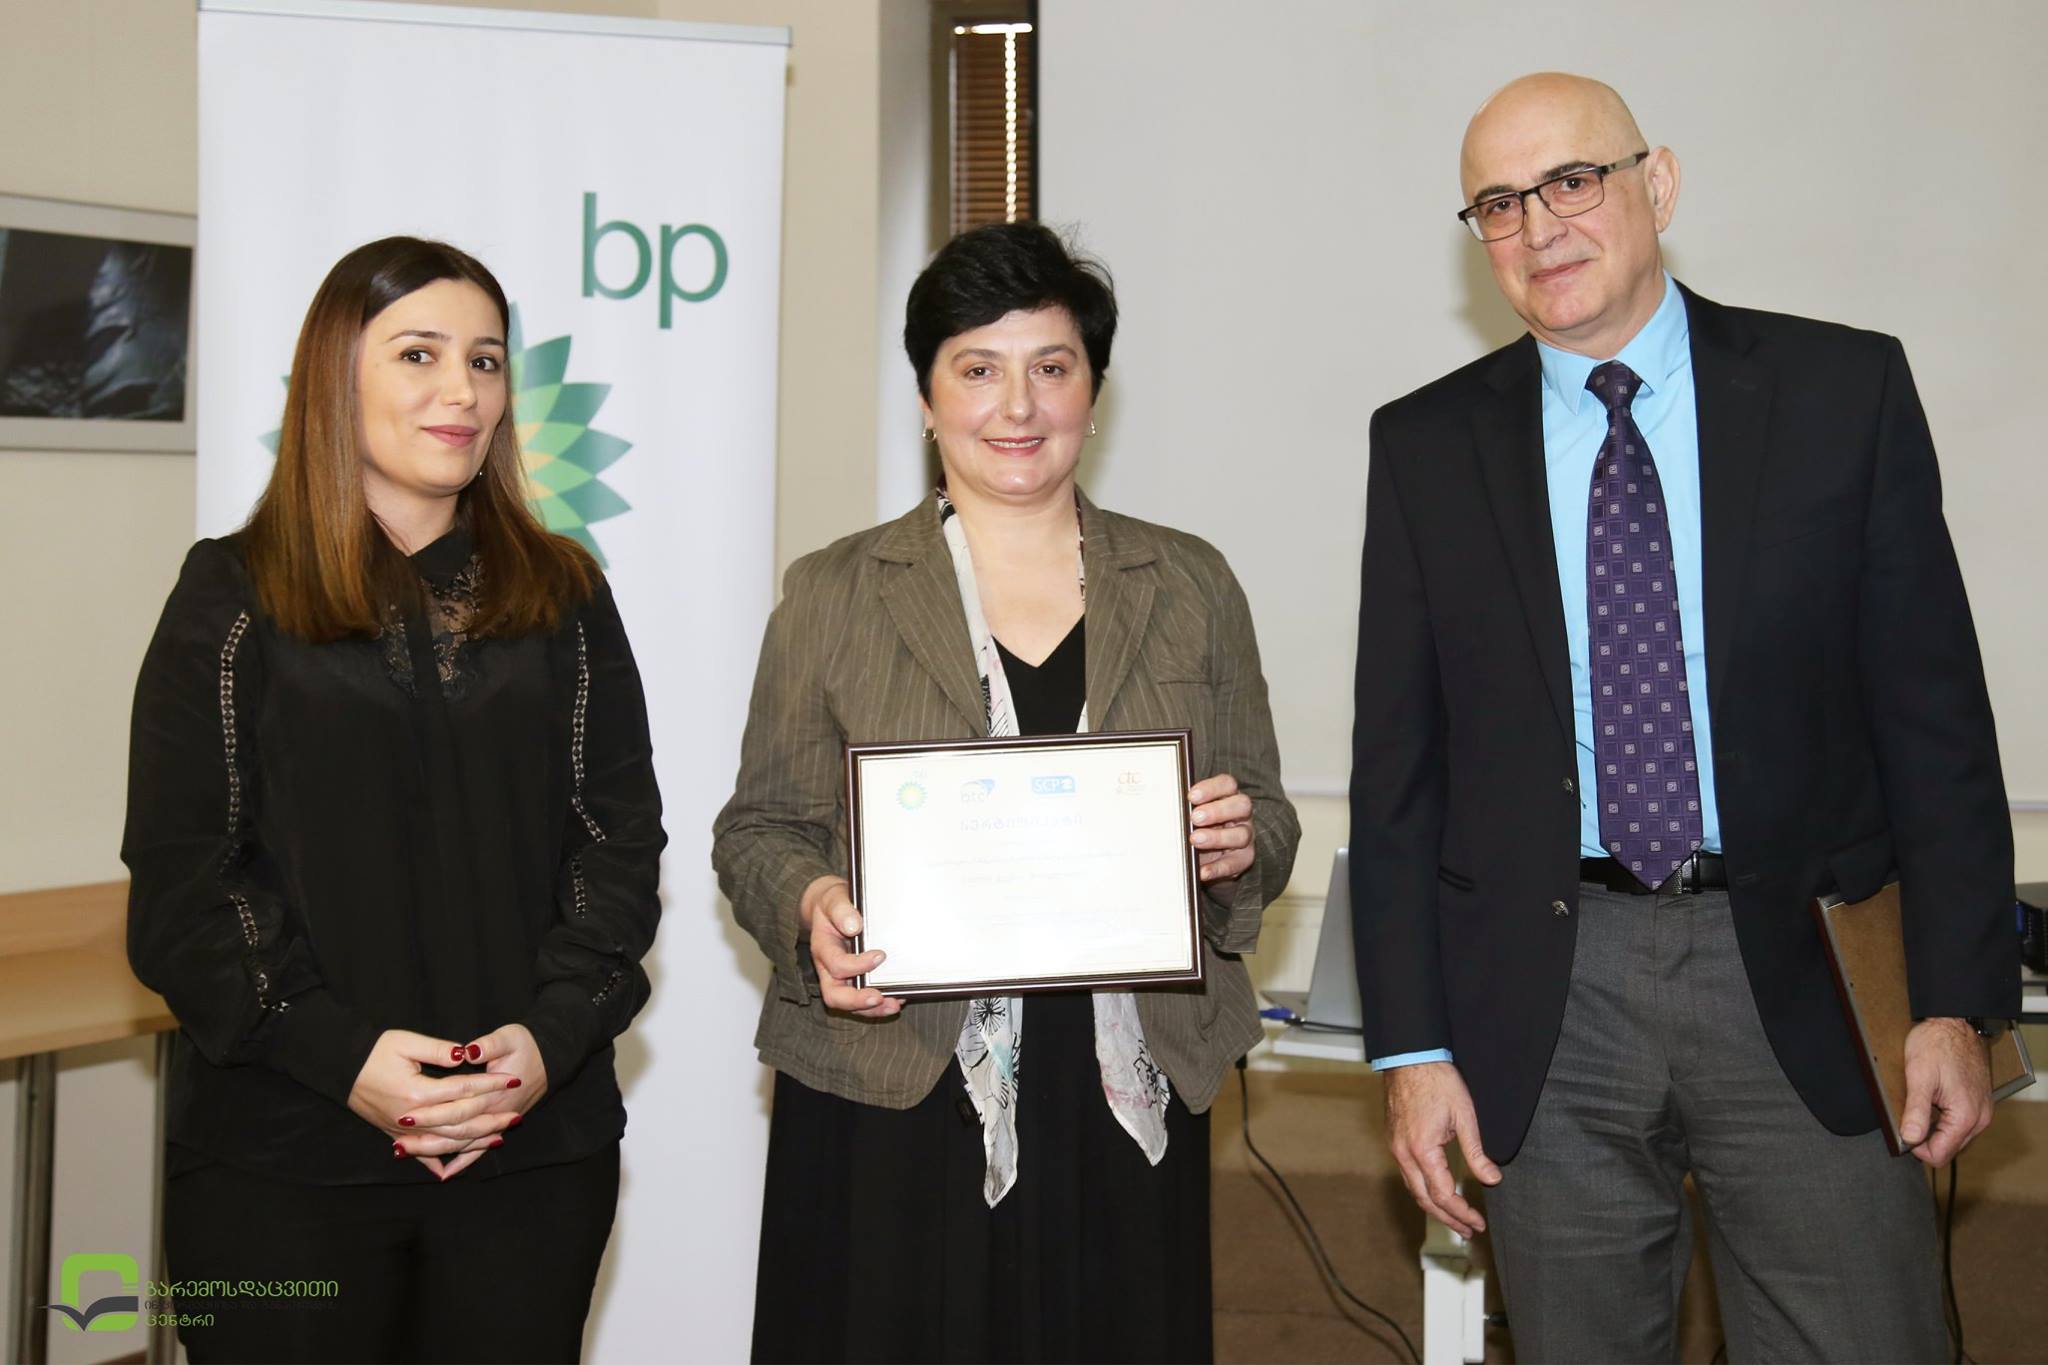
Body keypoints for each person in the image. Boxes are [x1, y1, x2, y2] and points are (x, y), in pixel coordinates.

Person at [1349, 73, 2016, 1363]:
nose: (1538, 226)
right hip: (1545, 995)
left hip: (1805, 968)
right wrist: (1411, 1051)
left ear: (1655, 184)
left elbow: (1934, 724)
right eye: (1498, 203)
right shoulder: (1425, 446)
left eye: (1569, 181)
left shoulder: (1840, 391)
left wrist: (1952, 999)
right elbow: (1398, 776)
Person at [714, 221, 1299, 1364]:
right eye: (977, 369)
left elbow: (1265, 812)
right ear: (925, 396)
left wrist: (1238, 846)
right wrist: (812, 904)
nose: (1016, 406)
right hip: (892, 1082)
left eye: (1051, 367)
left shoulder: (1189, 583)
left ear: (1094, 391)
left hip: (1120, 1085)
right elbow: (760, 829)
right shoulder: (833, 591)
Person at [123, 236, 665, 1363]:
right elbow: (187, 879)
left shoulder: (564, 593)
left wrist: (545, 1041)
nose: (460, 390)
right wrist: (345, 1058)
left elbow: (615, 843)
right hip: (283, 1155)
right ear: (337, 376)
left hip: (530, 1147)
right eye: (419, 354)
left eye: (485, 360)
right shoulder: (232, 592)